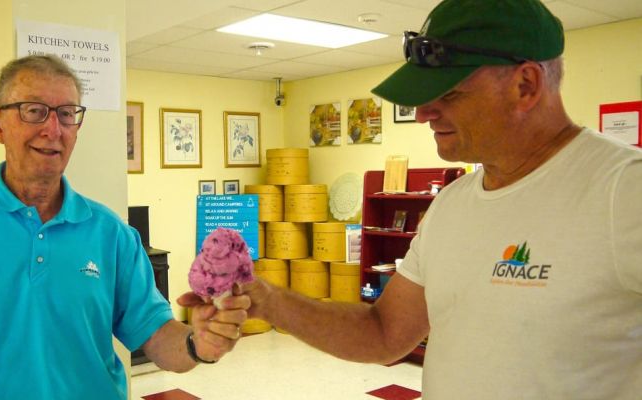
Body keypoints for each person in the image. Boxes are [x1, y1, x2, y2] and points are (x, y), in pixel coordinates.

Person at [243, 0, 642, 398]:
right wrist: (270, 301)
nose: (422, 114)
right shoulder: (451, 204)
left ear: (526, 85)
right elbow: (383, 333)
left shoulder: (622, 191)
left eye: (449, 94)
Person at [0, 55, 249, 399]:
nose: (54, 129)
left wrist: (199, 343)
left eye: (67, 113)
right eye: (34, 110)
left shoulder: (110, 233)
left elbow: (155, 336)